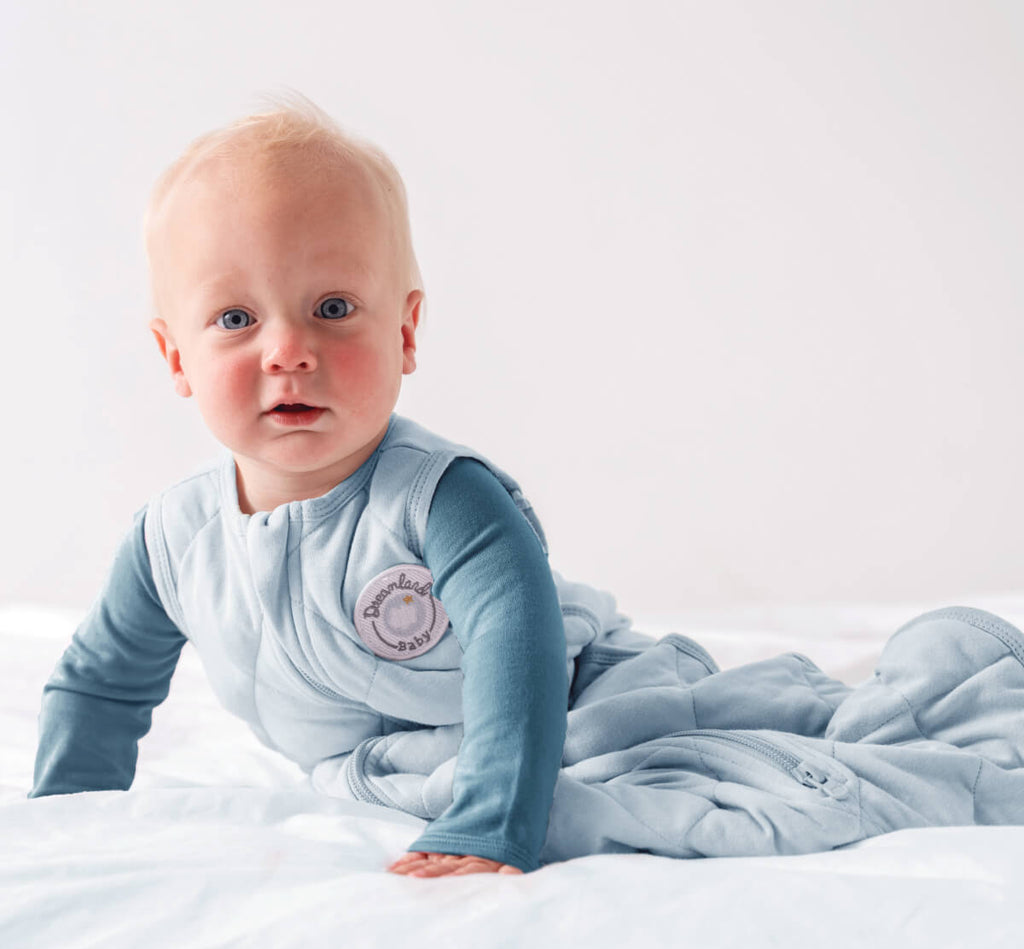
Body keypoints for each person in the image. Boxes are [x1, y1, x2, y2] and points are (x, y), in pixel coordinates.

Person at [31, 96, 1024, 874]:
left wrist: (493, 817)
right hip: (390, 761)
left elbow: (517, 644)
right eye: (235, 319)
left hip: (582, 694)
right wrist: (70, 817)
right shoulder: (172, 541)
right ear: (175, 357)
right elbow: (102, 681)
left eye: (332, 307)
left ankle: (942, 690)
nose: (288, 349)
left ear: (404, 331)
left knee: (739, 757)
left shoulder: (439, 496)